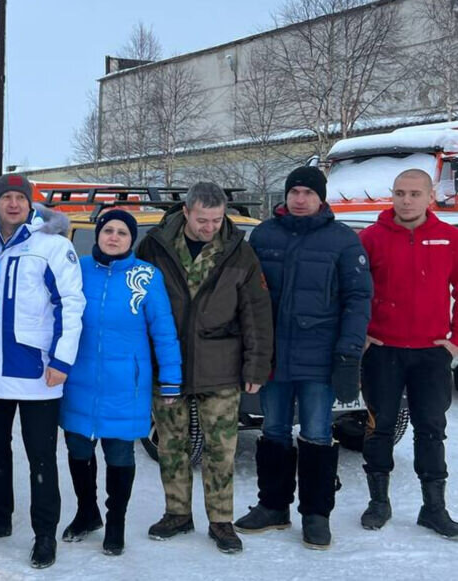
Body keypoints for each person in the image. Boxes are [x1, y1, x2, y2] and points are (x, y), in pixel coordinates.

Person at [237, 166, 372, 550]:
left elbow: (358, 299)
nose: (299, 199)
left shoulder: (342, 241)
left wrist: (348, 352)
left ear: (321, 197)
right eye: (294, 191)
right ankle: (273, 506)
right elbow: (245, 297)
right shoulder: (263, 235)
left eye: (307, 193)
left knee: (316, 433)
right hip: (273, 357)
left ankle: (316, 514)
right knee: (274, 431)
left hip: (319, 358)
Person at [135, 182, 273, 554]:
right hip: (168, 365)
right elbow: (137, 303)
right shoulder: (154, 246)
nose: (210, 227)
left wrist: (256, 368)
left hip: (222, 365)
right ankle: (177, 513)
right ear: (186, 213)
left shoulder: (239, 252)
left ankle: (221, 521)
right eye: (202, 220)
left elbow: (256, 314)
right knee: (172, 446)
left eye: (216, 219)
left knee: (220, 450)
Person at [0, 174, 85, 568]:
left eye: (20, 197)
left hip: (37, 370)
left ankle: (45, 533)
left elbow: (71, 304)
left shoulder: (51, 245)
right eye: (6, 198)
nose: (13, 204)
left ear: (31, 203)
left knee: (41, 456)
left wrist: (62, 362)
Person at [60, 209, 182, 557]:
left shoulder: (146, 276)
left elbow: (163, 330)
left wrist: (171, 378)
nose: (114, 237)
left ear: (132, 240)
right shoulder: (78, 269)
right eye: (108, 230)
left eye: (122, 233)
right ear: (97, 234)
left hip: (125, 383)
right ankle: (87, 513)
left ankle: (115, 523)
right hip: (78, 378)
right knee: (79, 449)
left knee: (118, 453)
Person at [357, 168, 458, 539]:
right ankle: (378, 503)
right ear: (392, 195)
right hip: (383, 351)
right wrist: (363, 335)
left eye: (415, 193)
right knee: (379, 427)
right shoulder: (370, 239)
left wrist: (455, 341)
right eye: (400, 193)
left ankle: (434, 509)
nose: (406, 200)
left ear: (430, 197)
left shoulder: (450, 238)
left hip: (432, 354)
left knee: (431, 430)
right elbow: (354, 293)